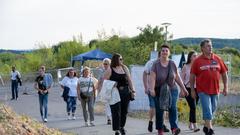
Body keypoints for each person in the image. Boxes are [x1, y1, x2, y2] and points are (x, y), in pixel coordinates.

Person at [190, 39, 228, 135]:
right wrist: (192, 90)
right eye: (207, 46)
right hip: (202, 90)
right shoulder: (197, 61)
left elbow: (224, 74)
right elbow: (192, 76)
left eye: (211, 45)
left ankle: (206, 126)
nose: (210, 47)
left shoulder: (218, 59)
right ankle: (210, 129)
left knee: (213, 109)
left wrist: (225, 87)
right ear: (202, 48)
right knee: (207, 108)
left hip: (215, 90)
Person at [149, 44, 188, 135]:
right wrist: (152, 89)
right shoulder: (156, 64)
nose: (164, 52)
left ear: (169, 53)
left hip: (172, 89)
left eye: (166, 51)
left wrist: (183, 88)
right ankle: (160, 129)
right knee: (160, 110)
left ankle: (174, 128)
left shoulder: (172, 63)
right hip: (158, 90)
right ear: (160, 53)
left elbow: (177, 77)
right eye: (163, 50)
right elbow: (152, 78)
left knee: (172, 108)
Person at [103, 53, 136, 135]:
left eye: (122, 59)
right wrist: (113, 84)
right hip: (115, 93)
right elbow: (105, 81)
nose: (122, 60)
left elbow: (129, 80)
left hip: (125, 92)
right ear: (115, 60)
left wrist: (133, 91)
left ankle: (122, 127)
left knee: (124, 111)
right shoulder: (110, 69)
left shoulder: (124, 68)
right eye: (120, 59)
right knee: (116, 111)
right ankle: (116, 129)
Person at [143, 51, 170, 133]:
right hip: (152, 88)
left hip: (163, 89)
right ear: (159, 55)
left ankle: (163, 124)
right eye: (162, 54)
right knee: (153, 106)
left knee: (163, 106)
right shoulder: (151, 63)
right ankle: (151, 121)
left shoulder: (168, 63)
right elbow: (144, 74)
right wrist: (146, 87)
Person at [180, 51, 200, 132]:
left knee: (193, 107)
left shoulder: (198, 66)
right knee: (193, 106)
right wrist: (182, 90)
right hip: (187, 89)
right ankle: (195, 125)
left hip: (197, 89)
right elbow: (181, 79)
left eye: (196, 56)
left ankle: (190, 123)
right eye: (194, 56)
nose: (196, 57)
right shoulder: (186, 66)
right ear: (190, 57)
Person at [97, 58, 112, 125]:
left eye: (106, 64)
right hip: (104, 90)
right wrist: (99, 90)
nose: (105, 65)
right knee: (107, 104)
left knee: (113, 104)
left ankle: (113, 116)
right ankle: (109, 118)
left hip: (112, 89)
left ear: (110, 64)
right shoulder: (101, 71)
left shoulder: (112, 70)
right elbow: (99, 81)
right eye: (104, 64)